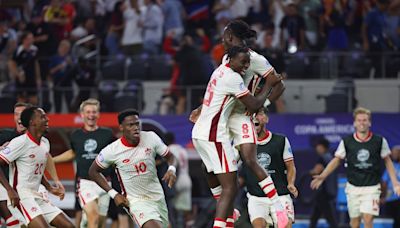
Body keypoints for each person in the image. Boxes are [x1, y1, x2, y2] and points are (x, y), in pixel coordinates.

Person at [190, 19, 287, 228]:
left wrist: (264, 104)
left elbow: (279, 85)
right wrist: (202, 108)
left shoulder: (256, 60)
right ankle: (226, 211)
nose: (222, 37)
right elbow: (217, 90)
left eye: (225, 34)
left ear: (231, 37)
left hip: (243, 113)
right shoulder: (228, 58)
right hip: (223, 116)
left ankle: (277, 206)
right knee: (212, 169)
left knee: (249, 159)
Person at [311, 107, 400, 228]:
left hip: (372, 188)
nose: (362, 123)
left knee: (368, 219)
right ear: (354, 123)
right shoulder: (347, 141)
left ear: (370, 123)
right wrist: (322, 177)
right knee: (355, 222)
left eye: (364, 120)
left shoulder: (379, 141)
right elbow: (337, 160)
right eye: (359, 120)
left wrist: (395, 184)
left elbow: (388, 162)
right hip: (353, 188)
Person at [88, 109, 178, 228]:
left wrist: (171, 169)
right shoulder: (112, 150)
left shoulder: (151, 137)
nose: (136, 128)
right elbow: (93, 172)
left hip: (158, 197)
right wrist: (114, 194)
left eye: (137, 124)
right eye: (131, 125)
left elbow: (171, 157)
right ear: (121, 127)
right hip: (136, 201)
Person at [0, 106, 74, 227]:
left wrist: (50, 188)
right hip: (22, 196)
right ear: (32, 122)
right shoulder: (20, 142)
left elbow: (37, 171)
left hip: (37, 195)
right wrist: (9, 190)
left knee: (69, 226)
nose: (47, 119)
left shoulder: (45, 143)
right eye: (42, 117)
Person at [53, 98, 114, 228]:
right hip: (85, 182)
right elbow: (73, 153)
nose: (91, 115)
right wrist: (52, 161)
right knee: (94, 217)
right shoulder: (76, 135)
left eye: (94, 112)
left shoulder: (108, 134)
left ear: (98, 114)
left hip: (105, 182)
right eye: (88, 112)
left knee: (100, 222)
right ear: (82, 114)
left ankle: (83, 224)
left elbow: (115, 154)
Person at [239, 108, 297, 228]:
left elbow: (290, 166)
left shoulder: (280, 140)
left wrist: (291, 183)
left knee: (286, 225)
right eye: (251, 114)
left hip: (280, 194)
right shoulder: (242, 144)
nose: (254, 117)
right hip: (257, 197)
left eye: (259, 114)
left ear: (266, 119)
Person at [164, 132, 192, 228]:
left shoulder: (169, 150)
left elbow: (172, 166)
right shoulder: (182, 149)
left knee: (173, 211)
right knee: (186, 211)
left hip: (176, 180)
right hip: (187, 179)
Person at [308, 138, 338, 228]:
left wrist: (310, 172)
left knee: (329, 217)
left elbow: (316, 171)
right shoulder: (331, 158)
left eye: (318, 146)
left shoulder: (323, 158)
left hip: (323, 192)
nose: (317, 148)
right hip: (328, 191)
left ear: (322, 147)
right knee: (315, 216)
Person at [7, 32, 41, 105]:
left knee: (34, 100)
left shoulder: (34, 49)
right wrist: (17, 74)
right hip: (21, 78)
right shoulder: (18, 50)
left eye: (32, 38)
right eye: (29, 38)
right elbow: (11, 63)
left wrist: (38, 78)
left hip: (32, 78)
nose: (31, 40)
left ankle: (32, 115)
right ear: (24, 40)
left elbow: (36, 64)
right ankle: (20, 115)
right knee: (21, 100)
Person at [381, 145, 400, 228]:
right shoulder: (390, 166)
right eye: (393, 153)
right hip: (390, 199)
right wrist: (383, 196)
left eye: (397, 153)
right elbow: (384, 183)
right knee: (390, 221)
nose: (394, 154)